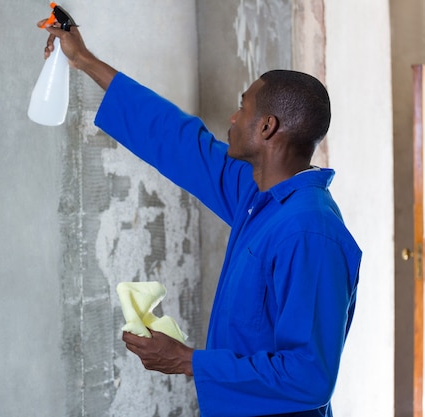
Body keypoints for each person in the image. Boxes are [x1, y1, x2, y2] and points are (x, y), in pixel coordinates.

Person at [39, 20, 361, 417]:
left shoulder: (310, 232)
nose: (232, 117)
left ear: (266, 127)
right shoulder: (258, 196)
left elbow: (309, 377)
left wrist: (188, 360)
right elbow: (175, 139)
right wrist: (84, 60)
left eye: (242, 108)